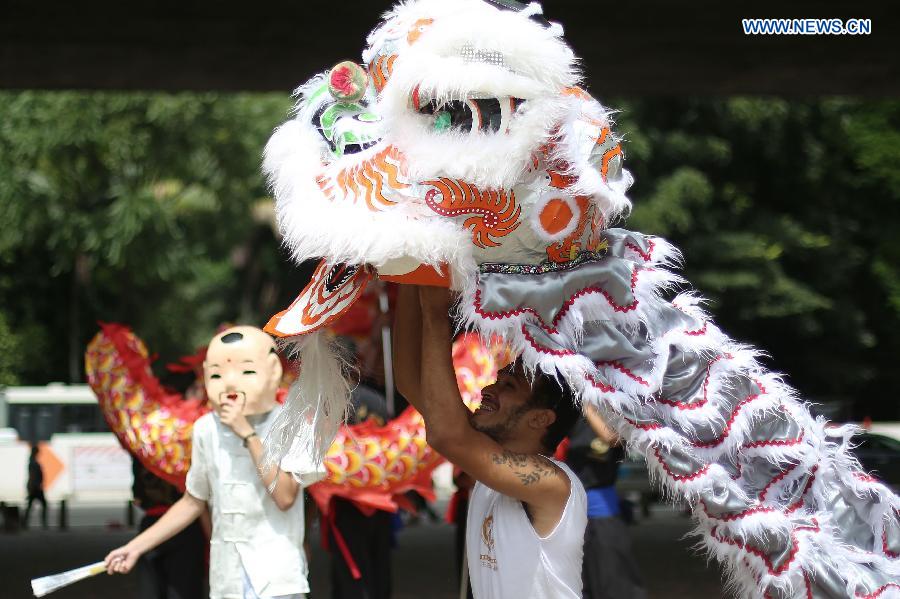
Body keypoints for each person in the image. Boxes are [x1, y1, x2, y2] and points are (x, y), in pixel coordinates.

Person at [393, 286, 585, 599]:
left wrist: (437, 315)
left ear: (540, 418)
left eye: (508, 385)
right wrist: (412, 274)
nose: (488, 389)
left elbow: (446, 434)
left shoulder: (555, 483)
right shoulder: (482, 450)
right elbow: (408, 378)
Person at [106, 326, 325, 599]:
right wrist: (136, 547)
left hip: (277, 578)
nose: (230, 384)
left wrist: (247, 433)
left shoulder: (293, 424)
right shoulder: (205, 430)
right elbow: (192, 501)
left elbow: (285, 496)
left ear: (273, 372)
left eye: (247, 372)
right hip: (227, 579)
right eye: (217, 374)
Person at [565, 405, 646, 599]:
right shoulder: (570, 415)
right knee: (578, 586)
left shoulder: (614, 410)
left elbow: (612, 438)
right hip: (570, 515)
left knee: (614, 584)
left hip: (602, 514)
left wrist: (588, 406)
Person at [131, 459, 206, 599]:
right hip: (187, 527)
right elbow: (198, 500)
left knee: (150, 589)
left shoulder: (143, 449)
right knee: (185, 589)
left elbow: (137, 498)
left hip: (152, 525)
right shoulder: (188, 448)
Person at [23, 444, 48, 530]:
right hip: (35, 487)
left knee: (30, 506)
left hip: (34, 486)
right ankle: (43, 523)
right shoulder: (33, 463)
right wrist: (35, 486)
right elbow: (34, 476)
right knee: (43, 504)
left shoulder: (32, 461)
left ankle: (25, 524)